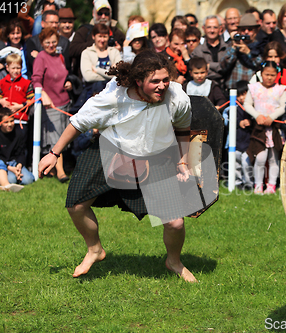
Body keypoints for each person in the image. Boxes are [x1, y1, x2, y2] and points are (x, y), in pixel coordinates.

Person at [37, 50, 198, 282]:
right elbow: (78, 123)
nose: (163, 86)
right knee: (76, 205)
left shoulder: (177, 98)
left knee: (175, 222)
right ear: (138, 81)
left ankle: (173, 261)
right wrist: (54, 153)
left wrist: (183, 159)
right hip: (111, 149)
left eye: (166, 79)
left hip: (156, 154)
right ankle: (95, 249)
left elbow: (183, 128)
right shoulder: (113, 98)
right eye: (155, 81)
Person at [32, 28, 72, 183]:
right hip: (51, 105)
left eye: (54, 42)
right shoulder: (41, 57)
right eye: (47, 42)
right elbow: (36, 79)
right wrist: (43, 94)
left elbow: (63, 75)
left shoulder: (60, 56)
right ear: (42, 43)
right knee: (56, 140)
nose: (51, 45)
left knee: (63, 136)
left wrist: (67, 83)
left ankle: (54, 170)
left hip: (65, 101)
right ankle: (61, 173)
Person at [244, 61, 286, 194]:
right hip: (259, 127)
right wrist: (257, 115)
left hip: (274, 128)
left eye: (272, 75)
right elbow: (247, 104)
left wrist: (272, 117)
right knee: (260, 156)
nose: (269, 77)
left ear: (277, 75)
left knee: (274, 157)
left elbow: (283, 106)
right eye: (266, 74)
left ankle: (271, 186)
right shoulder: (254, 87)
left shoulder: (280, 89)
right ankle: (258, 185)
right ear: (261, 74)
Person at [69, 0, 125, 78]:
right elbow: (72, 50)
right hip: (89, 83)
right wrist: (96, 43)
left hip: (112, 82)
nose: (103, 16)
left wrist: (121, 50)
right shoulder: (84, 31)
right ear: (93, 14)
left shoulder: (117, 33)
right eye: (99, 13)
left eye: (106, 14)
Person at [0, 107, 34, 188]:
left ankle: (18, 176)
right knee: (11, 180)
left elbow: (21, 152)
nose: (10, 124)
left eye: (12, 121)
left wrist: (19, 166)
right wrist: (10, 168)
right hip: (1, 164)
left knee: (28, 180)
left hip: (15, 162)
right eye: (6, 122)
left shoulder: (19, 133)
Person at [222, 80, 253, 190]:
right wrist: (238, 122)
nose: (241, 97)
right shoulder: (232, 107)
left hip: (248, 143)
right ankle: (237, 182)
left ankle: (249, 183)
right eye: (239, 95)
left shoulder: (253, 108)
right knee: (235, 164)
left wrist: (251, 121)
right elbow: (227, 120)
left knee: (246, 164)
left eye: (245, 94)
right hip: (235, 142)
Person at [221, 13, 263, 90]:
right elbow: (223, 66)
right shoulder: (232, 44)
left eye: (250, 30)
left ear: (256, 31)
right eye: (243, 29)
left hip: (252, 90)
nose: (246, 32)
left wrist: (248, 53)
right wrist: (234, 48)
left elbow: (261, 65)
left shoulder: (260, 46)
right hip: (233, 89)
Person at [25, 10, 71, 78]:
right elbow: (35, 64)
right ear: (43, 23)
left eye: (56, 22)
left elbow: (65, 64)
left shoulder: (65, 42)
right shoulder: (32, 41)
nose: (54, 25)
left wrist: (40, 56)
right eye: (51, 22)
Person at [80, 23, 121, 96]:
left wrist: (97, 70)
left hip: (113, 93)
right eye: (99, 36)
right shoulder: (86, 53)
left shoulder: (115, 52)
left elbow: (119, 74)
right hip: (92, 92)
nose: (102, 40)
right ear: (93, 36)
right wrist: (110, 75)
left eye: (105, 36)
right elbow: (88, 77)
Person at [190, 15, 230, 87]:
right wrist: (220, 68)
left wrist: (210, 65)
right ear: (203, 28)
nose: (212, 30)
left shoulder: (228, 48)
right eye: (209, 27)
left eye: (215, 27)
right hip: (204, 90)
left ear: (220, 29)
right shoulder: (197, 51)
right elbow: (197, 72)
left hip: (225, 89)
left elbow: (228, 70)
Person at [0, 53, 33, 129]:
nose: (16, 71)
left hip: (21, 119)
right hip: (6, 120)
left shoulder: (26, 83)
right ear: (7, 68)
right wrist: (1, 101)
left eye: (18, 68)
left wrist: (20, 106)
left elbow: (31, 99)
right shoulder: (3, 82)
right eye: (13, 68)